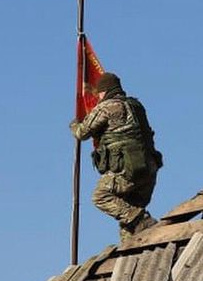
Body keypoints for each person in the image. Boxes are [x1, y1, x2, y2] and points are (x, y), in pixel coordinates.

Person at [70, 72, 163, 241]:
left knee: (101, 196)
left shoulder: (108, 107)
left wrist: (74, 124)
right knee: (129, 225)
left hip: (127, 171)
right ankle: (134, 252)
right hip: (149, 171)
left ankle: (142, 220)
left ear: (104, 91)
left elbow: (82, 132)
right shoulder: (136, 105)